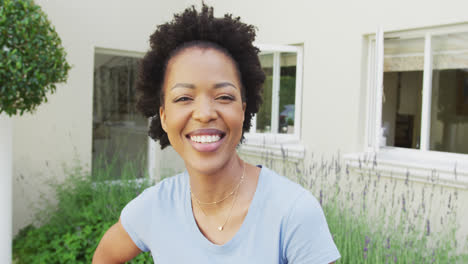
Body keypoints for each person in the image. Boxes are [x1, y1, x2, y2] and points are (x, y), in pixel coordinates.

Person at [92, 4, 340, 264]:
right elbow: (105, 257)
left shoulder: (293, 213)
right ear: (163, 117)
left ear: (243, 111)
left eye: (224, 96)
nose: (204, 113)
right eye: (184, 97)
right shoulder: (154, 207)